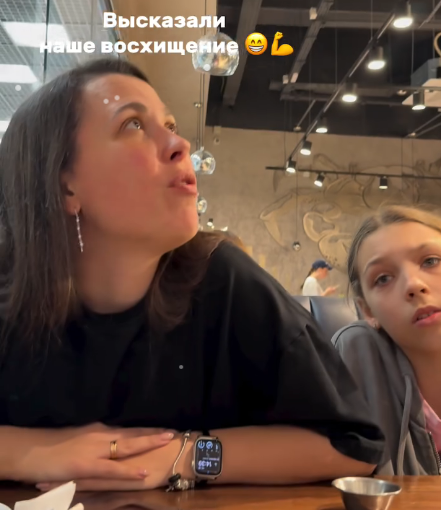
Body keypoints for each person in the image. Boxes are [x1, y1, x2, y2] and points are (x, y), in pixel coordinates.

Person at [0, 57, 384, 492]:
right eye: (132, 125)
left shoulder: (222, 279)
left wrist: (186, 455)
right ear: (64, 184)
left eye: (170, 124)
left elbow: (353, 446)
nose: (180, 144)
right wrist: (32, 453)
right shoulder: (9, 292)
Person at [332, 205, 441, 475]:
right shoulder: (357, 354)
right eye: (383, 279)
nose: (413, 284)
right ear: (367, 310)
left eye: (431, 261)